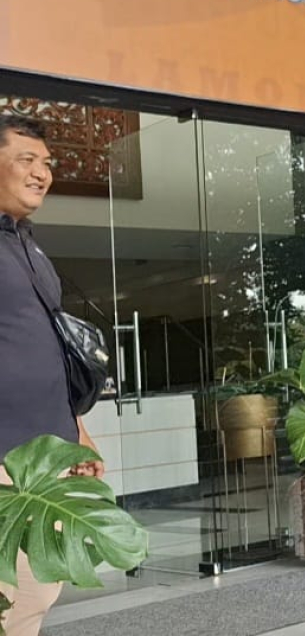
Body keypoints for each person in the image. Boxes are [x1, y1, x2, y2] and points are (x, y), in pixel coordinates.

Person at [0, 116, 104, 636]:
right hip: (6, 458)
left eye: (46, 163)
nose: (42, 173)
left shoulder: (30, 247)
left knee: (38, 589)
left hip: (48, 455)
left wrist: (77, 433)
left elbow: (50, 354)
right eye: (26, 160)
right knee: (18, 595)